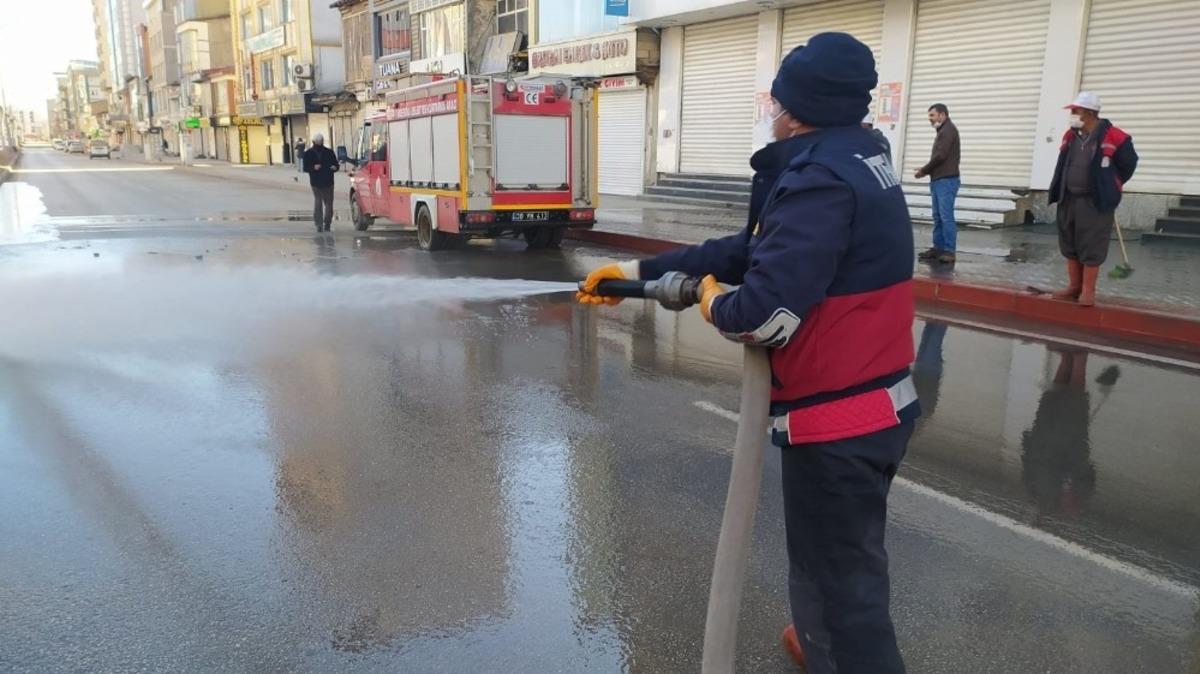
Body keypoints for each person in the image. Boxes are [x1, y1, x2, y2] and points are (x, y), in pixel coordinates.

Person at [578, 32, 918, 674]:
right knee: (836, 567)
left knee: (847, 591)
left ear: (800, 108)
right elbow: (749, 250)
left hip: (839, 421)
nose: (771, 110)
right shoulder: (856, 156)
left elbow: (762, 315)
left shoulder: (820, 181)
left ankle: (837, 642)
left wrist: (713, 304)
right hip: (874, 405)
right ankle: (819, 635)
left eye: (777, 99)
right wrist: (637, 272)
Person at [1047, 92, 1138, 307]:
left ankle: (1088, 291)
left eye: (1075, 110)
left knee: (1091, 245)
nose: (1072, 114)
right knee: (1069, 243)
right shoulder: (1070, 135)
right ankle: (1074, 287)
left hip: (1094, 201)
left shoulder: (1115, 136)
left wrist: (1111, 184)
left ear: (1088, 113)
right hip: (1068, 198)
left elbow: (1128, 165)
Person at [914, 103, 960, 264]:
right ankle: (938, 248)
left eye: (932, 115)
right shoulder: (943, 130)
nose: (930, 119)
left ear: (942, 114)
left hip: (946, 180)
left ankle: (949, 250)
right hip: (939, 179)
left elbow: (940, 156)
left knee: (946, 216)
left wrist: (924, 171)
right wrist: (927, 171)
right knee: (938, 216)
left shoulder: (948, 131)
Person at [303, 133, 339, 232]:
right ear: (315, 142)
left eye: (321, 141)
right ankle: (322, 224)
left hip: (325, 181)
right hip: (319, 181)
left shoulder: (328, 152)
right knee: (322, 202)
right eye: (318, 141)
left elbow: (336, 164)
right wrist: (314, 167)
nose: (320, 143)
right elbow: (305, 168)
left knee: (325, 203)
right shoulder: (309, 153)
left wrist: (335, 167)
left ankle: (324, 223)